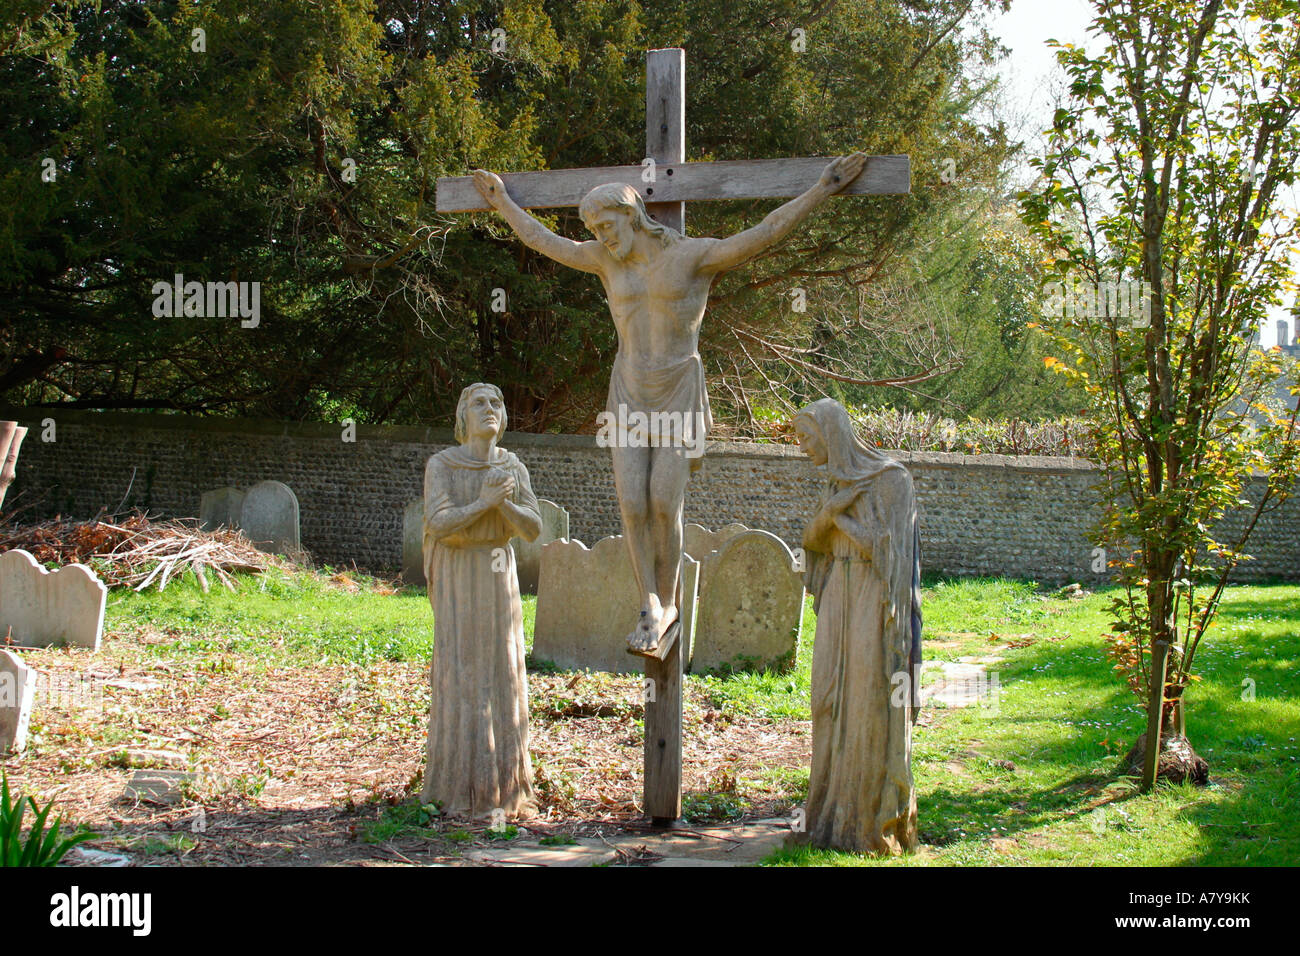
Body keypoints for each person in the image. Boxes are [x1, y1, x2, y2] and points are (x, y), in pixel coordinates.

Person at [470, 154, 867, 654]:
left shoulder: (692, 257)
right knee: (631, 502)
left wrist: (821, 188)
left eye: (607, 225)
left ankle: (671, 599)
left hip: (678, 387)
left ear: (632, 215)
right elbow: (545, 241)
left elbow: (763, 233)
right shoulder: (602, 261)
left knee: (662, 500)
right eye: (593, 228)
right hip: (629, 390)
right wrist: (503, 202)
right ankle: (650, 605)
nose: (601, 236)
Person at [792, 398, 922, 854]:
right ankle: (827, 807)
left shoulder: (892, 480)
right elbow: (811, 541)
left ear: (832, 433)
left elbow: (893, 558)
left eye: (806, 436)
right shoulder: (834, 482)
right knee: (825, 698)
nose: (802, 447)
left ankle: (864, 817)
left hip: (872, 596)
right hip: (837, 596)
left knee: (866, 698)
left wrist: (843, 520)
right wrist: (830, 515)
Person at [420, 382, 541, 819]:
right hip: (459, 571)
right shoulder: (443, 465)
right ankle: (459, 788)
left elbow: (532, 528)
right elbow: (438, 522)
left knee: (502, 671)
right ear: (462, 417)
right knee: (463, 668)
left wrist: (503, 506)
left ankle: (507, 789)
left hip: (497, 571)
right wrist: (485, 502)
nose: (489, 409)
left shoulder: (513, 466)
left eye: (497, 403)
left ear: (504, 418)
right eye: (478, 403)